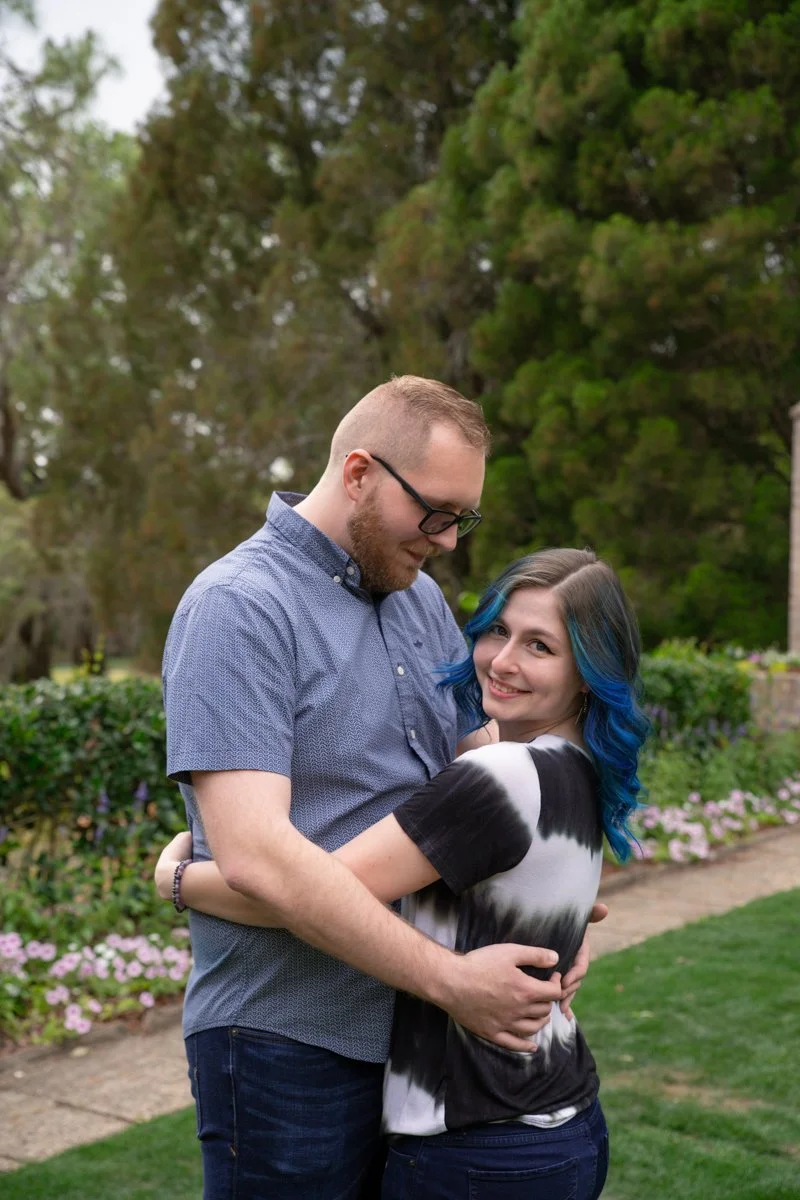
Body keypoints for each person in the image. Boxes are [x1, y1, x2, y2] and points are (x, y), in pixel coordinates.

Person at [160, 376, 598, 1199]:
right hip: (285, 1038)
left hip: (420, 1048)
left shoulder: (421, 602)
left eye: (463, 520)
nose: (447, 541)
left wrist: (559, 913)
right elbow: (258, 857)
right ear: (359, 472)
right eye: (434, 513)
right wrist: (451, 980)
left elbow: (488, 794)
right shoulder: (238, 608)